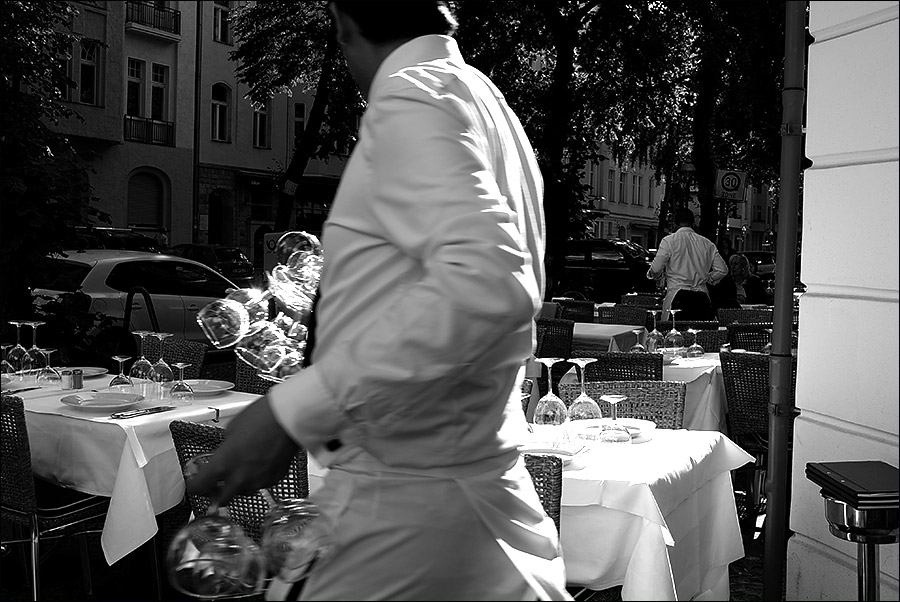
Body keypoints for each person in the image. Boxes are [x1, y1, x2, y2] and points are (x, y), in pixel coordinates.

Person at [187, 2, 569, 600]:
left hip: (406, 512)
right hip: (466, 495)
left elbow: (489, 282)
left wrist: (293, 412)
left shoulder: (413, 97)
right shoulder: (485, 101)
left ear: (344, 23)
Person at [647, 207, 728, 320]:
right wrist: (708, 278)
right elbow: (723, 270)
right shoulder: (707, 244)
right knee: (699, 329)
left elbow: (656, 269)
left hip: (677, 295)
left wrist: (657, 276)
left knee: (674, 329)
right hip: (701, 297)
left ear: (674, 223)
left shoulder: (669, 241)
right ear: (693, 223)